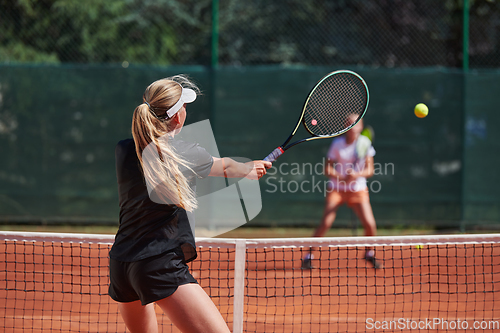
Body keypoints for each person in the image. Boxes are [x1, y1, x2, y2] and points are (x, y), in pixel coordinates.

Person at [108, 74, 272, 333]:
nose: (185, 111)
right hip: (158, 264)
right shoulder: (186, 153)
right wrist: (249, 168)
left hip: (121, 265)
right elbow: (226, 166)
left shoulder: (124, 150)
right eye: (183, 106)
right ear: (176, 116)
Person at [302, 115, 381, 269]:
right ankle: (308, 256)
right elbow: (327, 168)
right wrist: (341, 177)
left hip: (357, 190)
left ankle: (369, 253)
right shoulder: (337, 144)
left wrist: (355, 175)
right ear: (345, 126)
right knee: (326, 223)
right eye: (350, 124)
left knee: (370, 224)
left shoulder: (365, 144)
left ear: (361, 127)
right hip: (336, 189)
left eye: (356, 124)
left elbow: (370, 170)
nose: (353, 127)